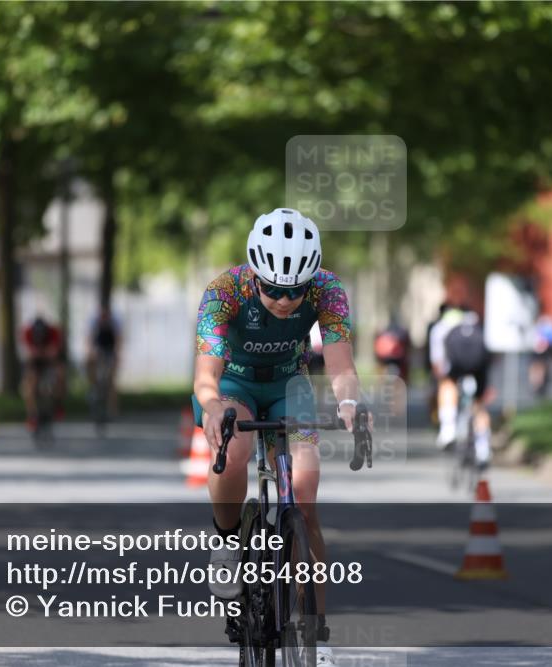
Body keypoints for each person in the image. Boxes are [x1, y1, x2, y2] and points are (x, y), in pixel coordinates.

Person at [191, 207, 367, 667]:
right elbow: (206, 378)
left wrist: (350, 404)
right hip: (233, 386)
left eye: (294, 291)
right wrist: (212, 408)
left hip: (290, 385)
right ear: (254, 273)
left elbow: (342, 367)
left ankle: (317, 636)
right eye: (272, 289)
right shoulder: (222, 292)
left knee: (305, 494)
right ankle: (228, 541)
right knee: (235, 450)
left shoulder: (328, 289)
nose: (285, 300)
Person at [429, 304, 493, 467]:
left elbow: (438, 362)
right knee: (479, 405)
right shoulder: (477, 324)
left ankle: (448, 429)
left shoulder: (440, 328)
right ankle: (483, 447)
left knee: (447, 384)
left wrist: (440, 378)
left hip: (456, 367)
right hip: (479, 367)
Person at [20, 315, 65, 432]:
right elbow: (27, 353)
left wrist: (46, 352)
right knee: (28, 385)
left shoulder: (53, 332)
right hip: (35, 361)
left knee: (60, 374)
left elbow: (54, 352)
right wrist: (35, 353)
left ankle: (58, 404)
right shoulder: (27, 332)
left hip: (50, 360)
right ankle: (31, 415)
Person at [85, 303, 123, 418]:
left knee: (111, 380)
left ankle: (113, 409)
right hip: (99, 348)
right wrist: (91, 352)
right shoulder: (93, 321)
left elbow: (119, 339)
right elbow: (89, 339)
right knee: (89, 362)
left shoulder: (115, 321)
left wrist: (117, 354)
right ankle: (93, 387)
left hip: (110, 349)